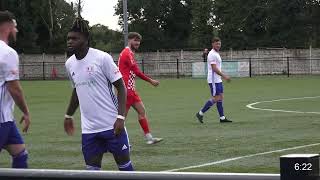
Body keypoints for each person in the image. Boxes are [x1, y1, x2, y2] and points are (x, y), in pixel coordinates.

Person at [64, 17, 133, 171]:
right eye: (68, 38)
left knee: (126, 170)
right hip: (89, 131)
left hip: (112, 126)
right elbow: (77, 90)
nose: (70, 41)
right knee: (92, 173)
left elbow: (121, 87)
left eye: (74, 38)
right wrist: (68, 115)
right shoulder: (69, 64)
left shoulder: (102, 58)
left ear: (86, 39)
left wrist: (120, 118)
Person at [118, 32, 163, 145]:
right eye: (135, 40)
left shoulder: (129, 53)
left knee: (141, 111)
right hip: (126, 90)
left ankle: (149, 138)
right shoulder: (126, 53)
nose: (137, 43)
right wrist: (151, 81)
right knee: (121, 118)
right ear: (129, 40)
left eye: (139, 41)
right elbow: (136, 71)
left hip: (131, 90)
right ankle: (118, 141)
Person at [0, 10, 30, 168]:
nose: (17, 31)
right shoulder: (7, 53)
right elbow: (14, 88)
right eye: (15, 27)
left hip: (7, 120)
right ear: (9, 27)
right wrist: (26, 112)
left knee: (20, 153)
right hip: (1, 120)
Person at [196, 37, 232, 123]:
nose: (218, 45)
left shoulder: (216, 53)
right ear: (212, 44)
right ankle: (200, 113)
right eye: (216, 44)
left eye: (219, 44)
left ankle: (222, 118)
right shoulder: (212, 54)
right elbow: (214, 68)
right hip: (213, 80)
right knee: (217, 97)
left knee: (220, 97)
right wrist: (224, 76)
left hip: (217, 79)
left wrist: (221, 77)